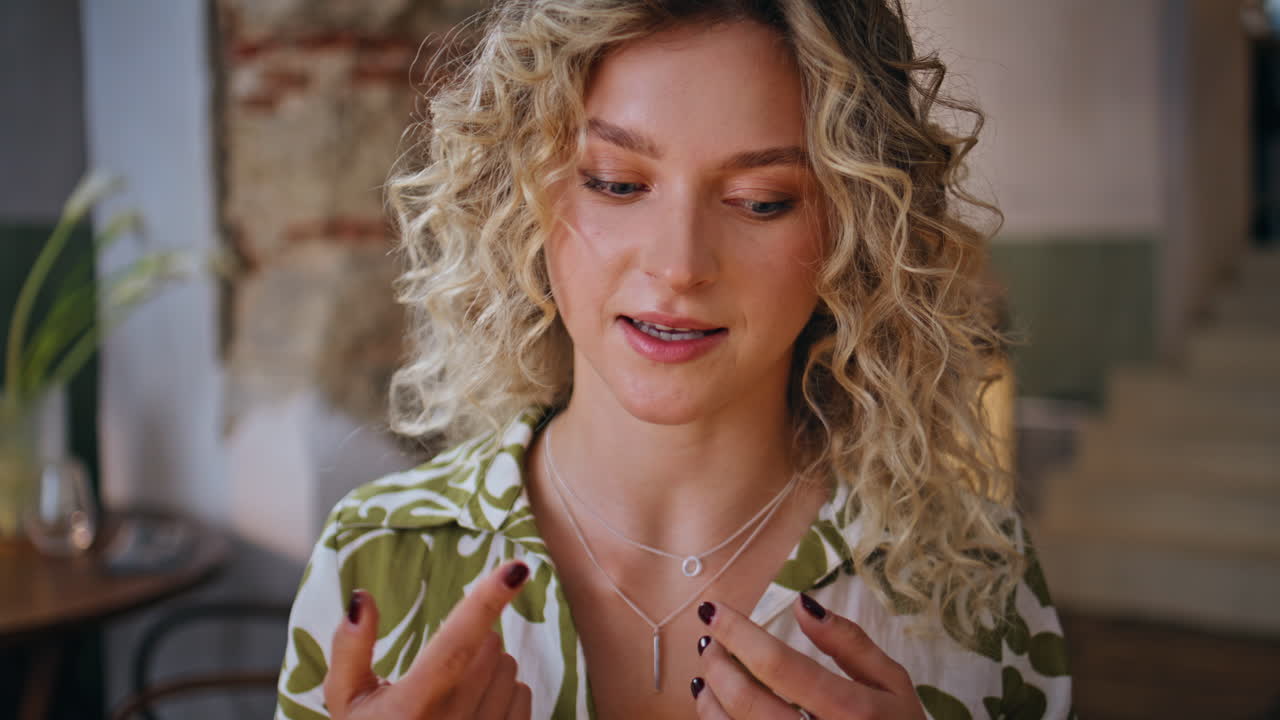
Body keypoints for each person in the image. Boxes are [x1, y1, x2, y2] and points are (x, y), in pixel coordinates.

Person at [275, 1, 1074, 718]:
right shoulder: (376, 558)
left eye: (761, 201)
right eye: (616, 184)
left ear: (856, 228)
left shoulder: (976, 590)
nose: (680, 264)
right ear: (524, 198)